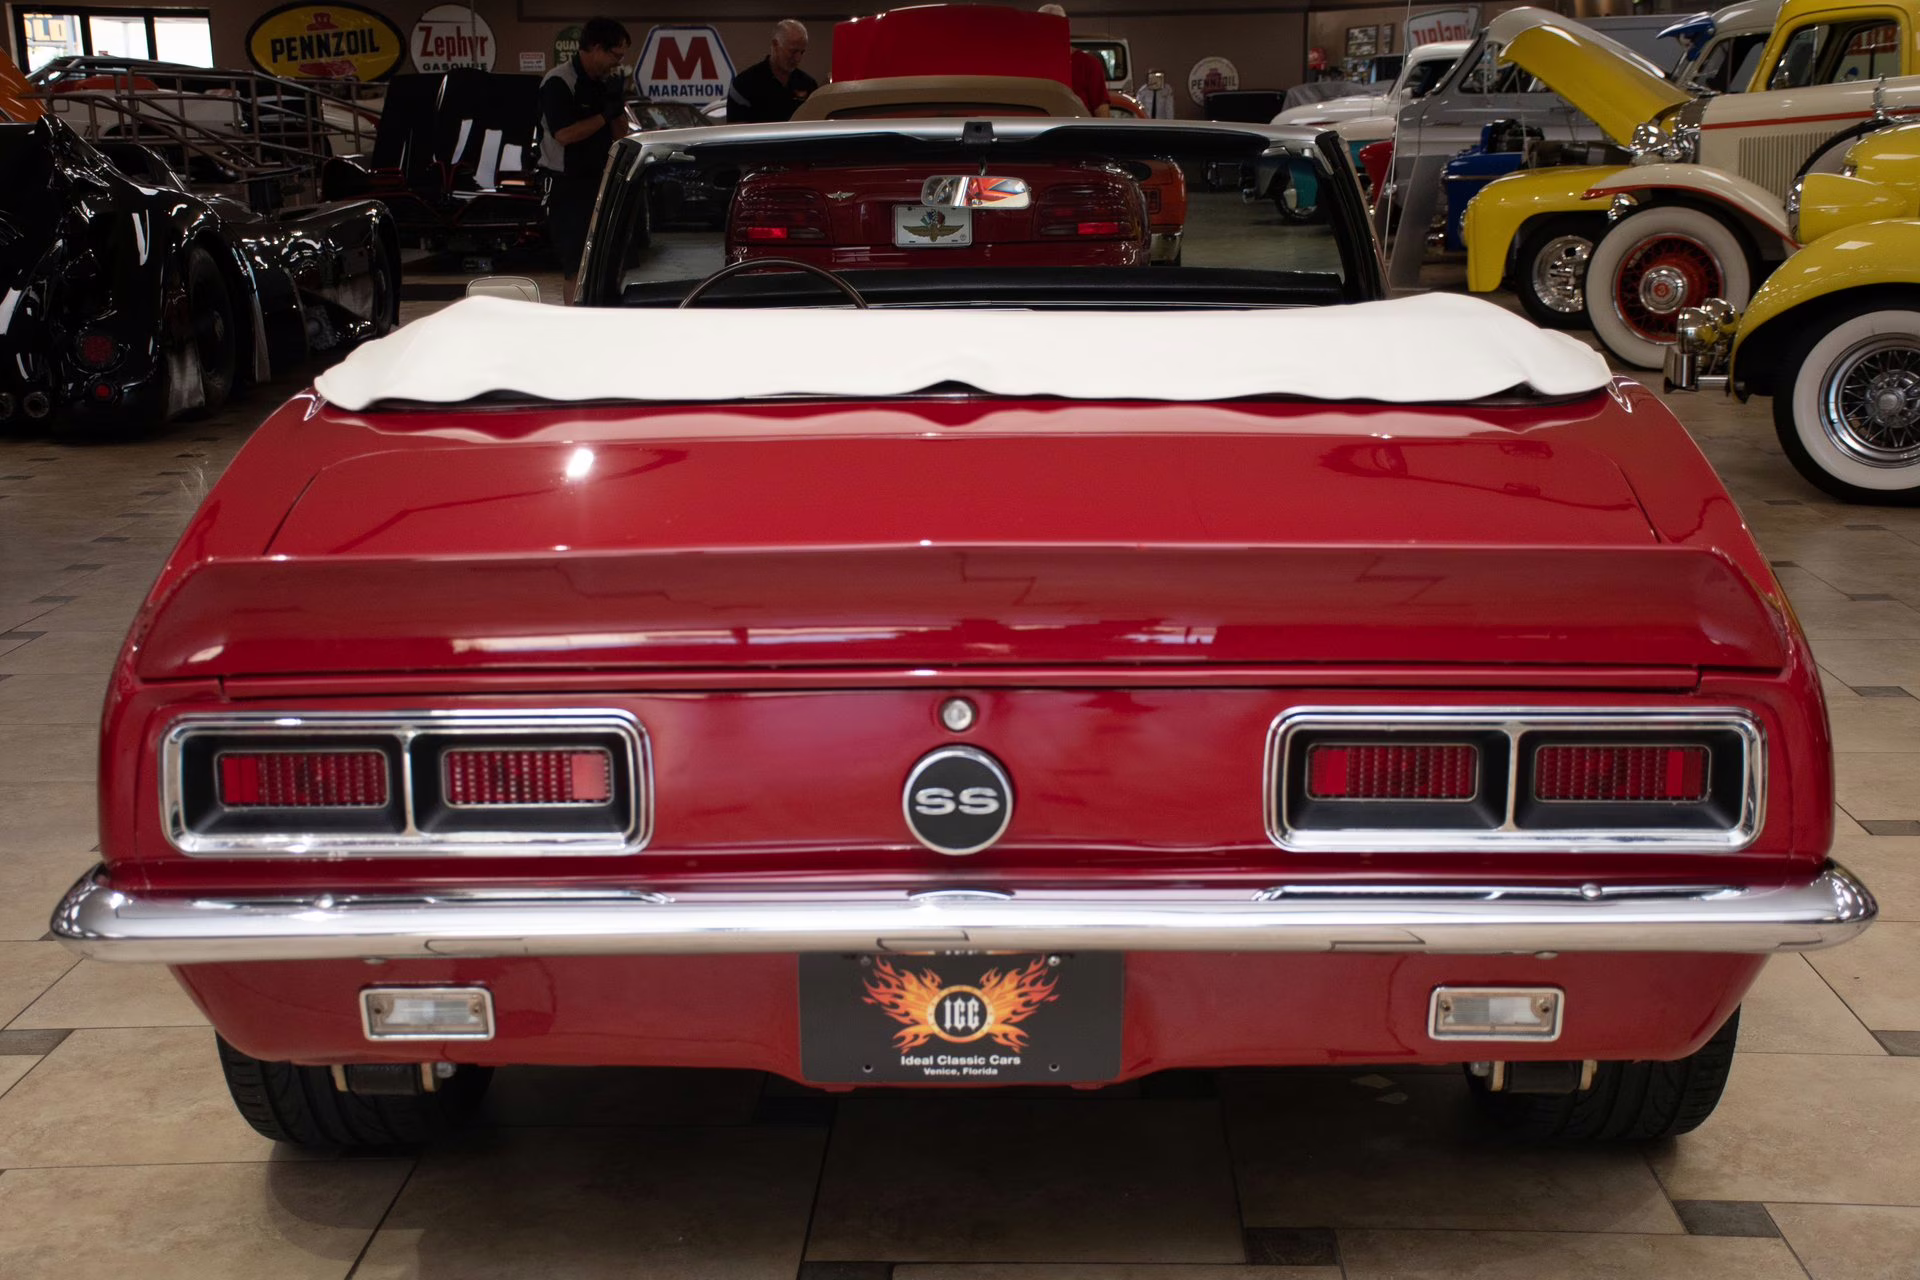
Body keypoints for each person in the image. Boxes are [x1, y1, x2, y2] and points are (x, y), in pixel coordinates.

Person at [538, 16, 631, 302]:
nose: (617, 62)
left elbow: (619, 134)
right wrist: (603, 115)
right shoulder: (559, 81)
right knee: (577, 266)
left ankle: (609, 319)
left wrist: (617, 107)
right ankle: (577, 327)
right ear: (595, 47)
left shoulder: (604, 83)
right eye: (615, 55)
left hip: (602, 182)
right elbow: (564, 134)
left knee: (612, 262)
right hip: (569, 186)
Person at [727, 20, 817, 124]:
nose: (798, 58)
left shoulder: (808, 84)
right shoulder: (744, 85)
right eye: (793, 51)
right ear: (775, 45)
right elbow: (737, 134)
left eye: (802, 52)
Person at [1038, 4, 1110, 116]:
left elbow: (1102, 111)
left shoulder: (1088, 64)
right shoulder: (1030, 65)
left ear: (1065, 27)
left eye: (1055, 26)